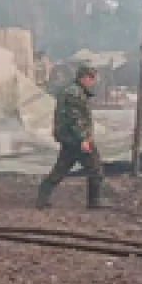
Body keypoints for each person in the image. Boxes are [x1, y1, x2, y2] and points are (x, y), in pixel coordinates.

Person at [37, 64, 106, 209]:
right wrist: (83, 139)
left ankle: (43, 197)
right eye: (91, 78)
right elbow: (75, 118)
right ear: (84, 77)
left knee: (61, 169)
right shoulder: (74, 93)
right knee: (95, 168)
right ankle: (94, 203)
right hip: (76, 139)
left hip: (70, 138)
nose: (92, 82)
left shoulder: (73, 91)